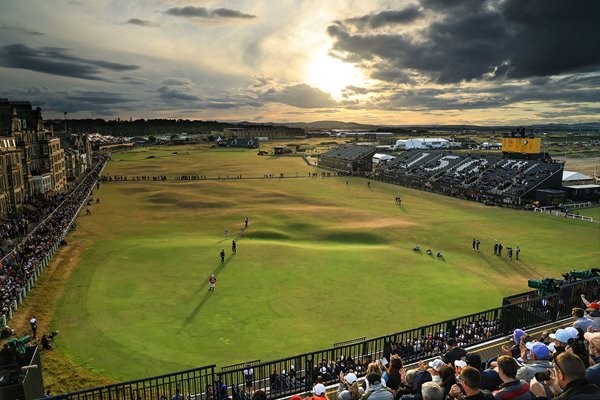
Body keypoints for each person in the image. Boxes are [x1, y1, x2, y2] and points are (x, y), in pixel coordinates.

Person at [529, 351, 600, 400]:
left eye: (555, 371)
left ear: (560, 374)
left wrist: (540, 396)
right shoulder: (596, 390)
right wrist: (558, 392)